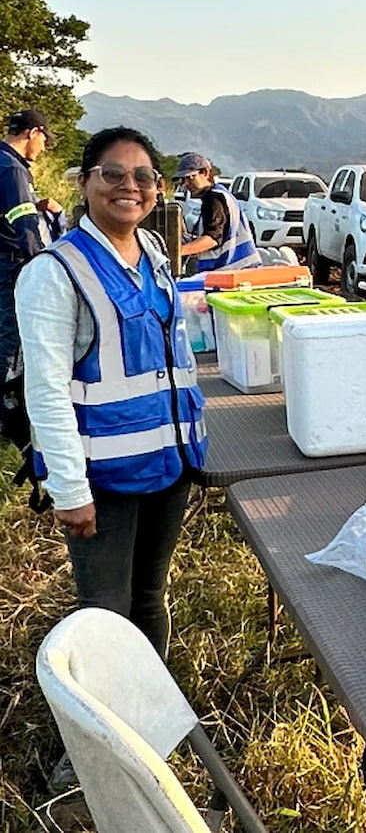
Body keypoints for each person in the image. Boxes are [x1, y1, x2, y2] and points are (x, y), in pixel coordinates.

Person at [16, 125, 208, 660]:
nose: (131, 185)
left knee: (149, 597)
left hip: (168, 463)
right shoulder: (54, 273)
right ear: (84, 183)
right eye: (114, 174)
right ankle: (101, 733)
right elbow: (47, 389)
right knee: (104, 611)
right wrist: (69, 488)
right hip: (104, 475)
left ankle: (153, 722)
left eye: (144, 175)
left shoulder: (151, 249)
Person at [1, 109, 62, 377]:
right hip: (9, 266)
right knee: (8, 340)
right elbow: (25, 229)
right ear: (33, 132)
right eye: (44, 140)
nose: (43, 148)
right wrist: (42, 266)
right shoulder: (13, 170)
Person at [175, 151, 257, 272]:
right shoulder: (221, 194)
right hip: (242, 268)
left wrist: (177, 252)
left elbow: (212, 238)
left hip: (230, 271)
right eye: (183, 180)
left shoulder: (213, 198)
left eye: (190, 177)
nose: (186, 184)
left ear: (205, 173)